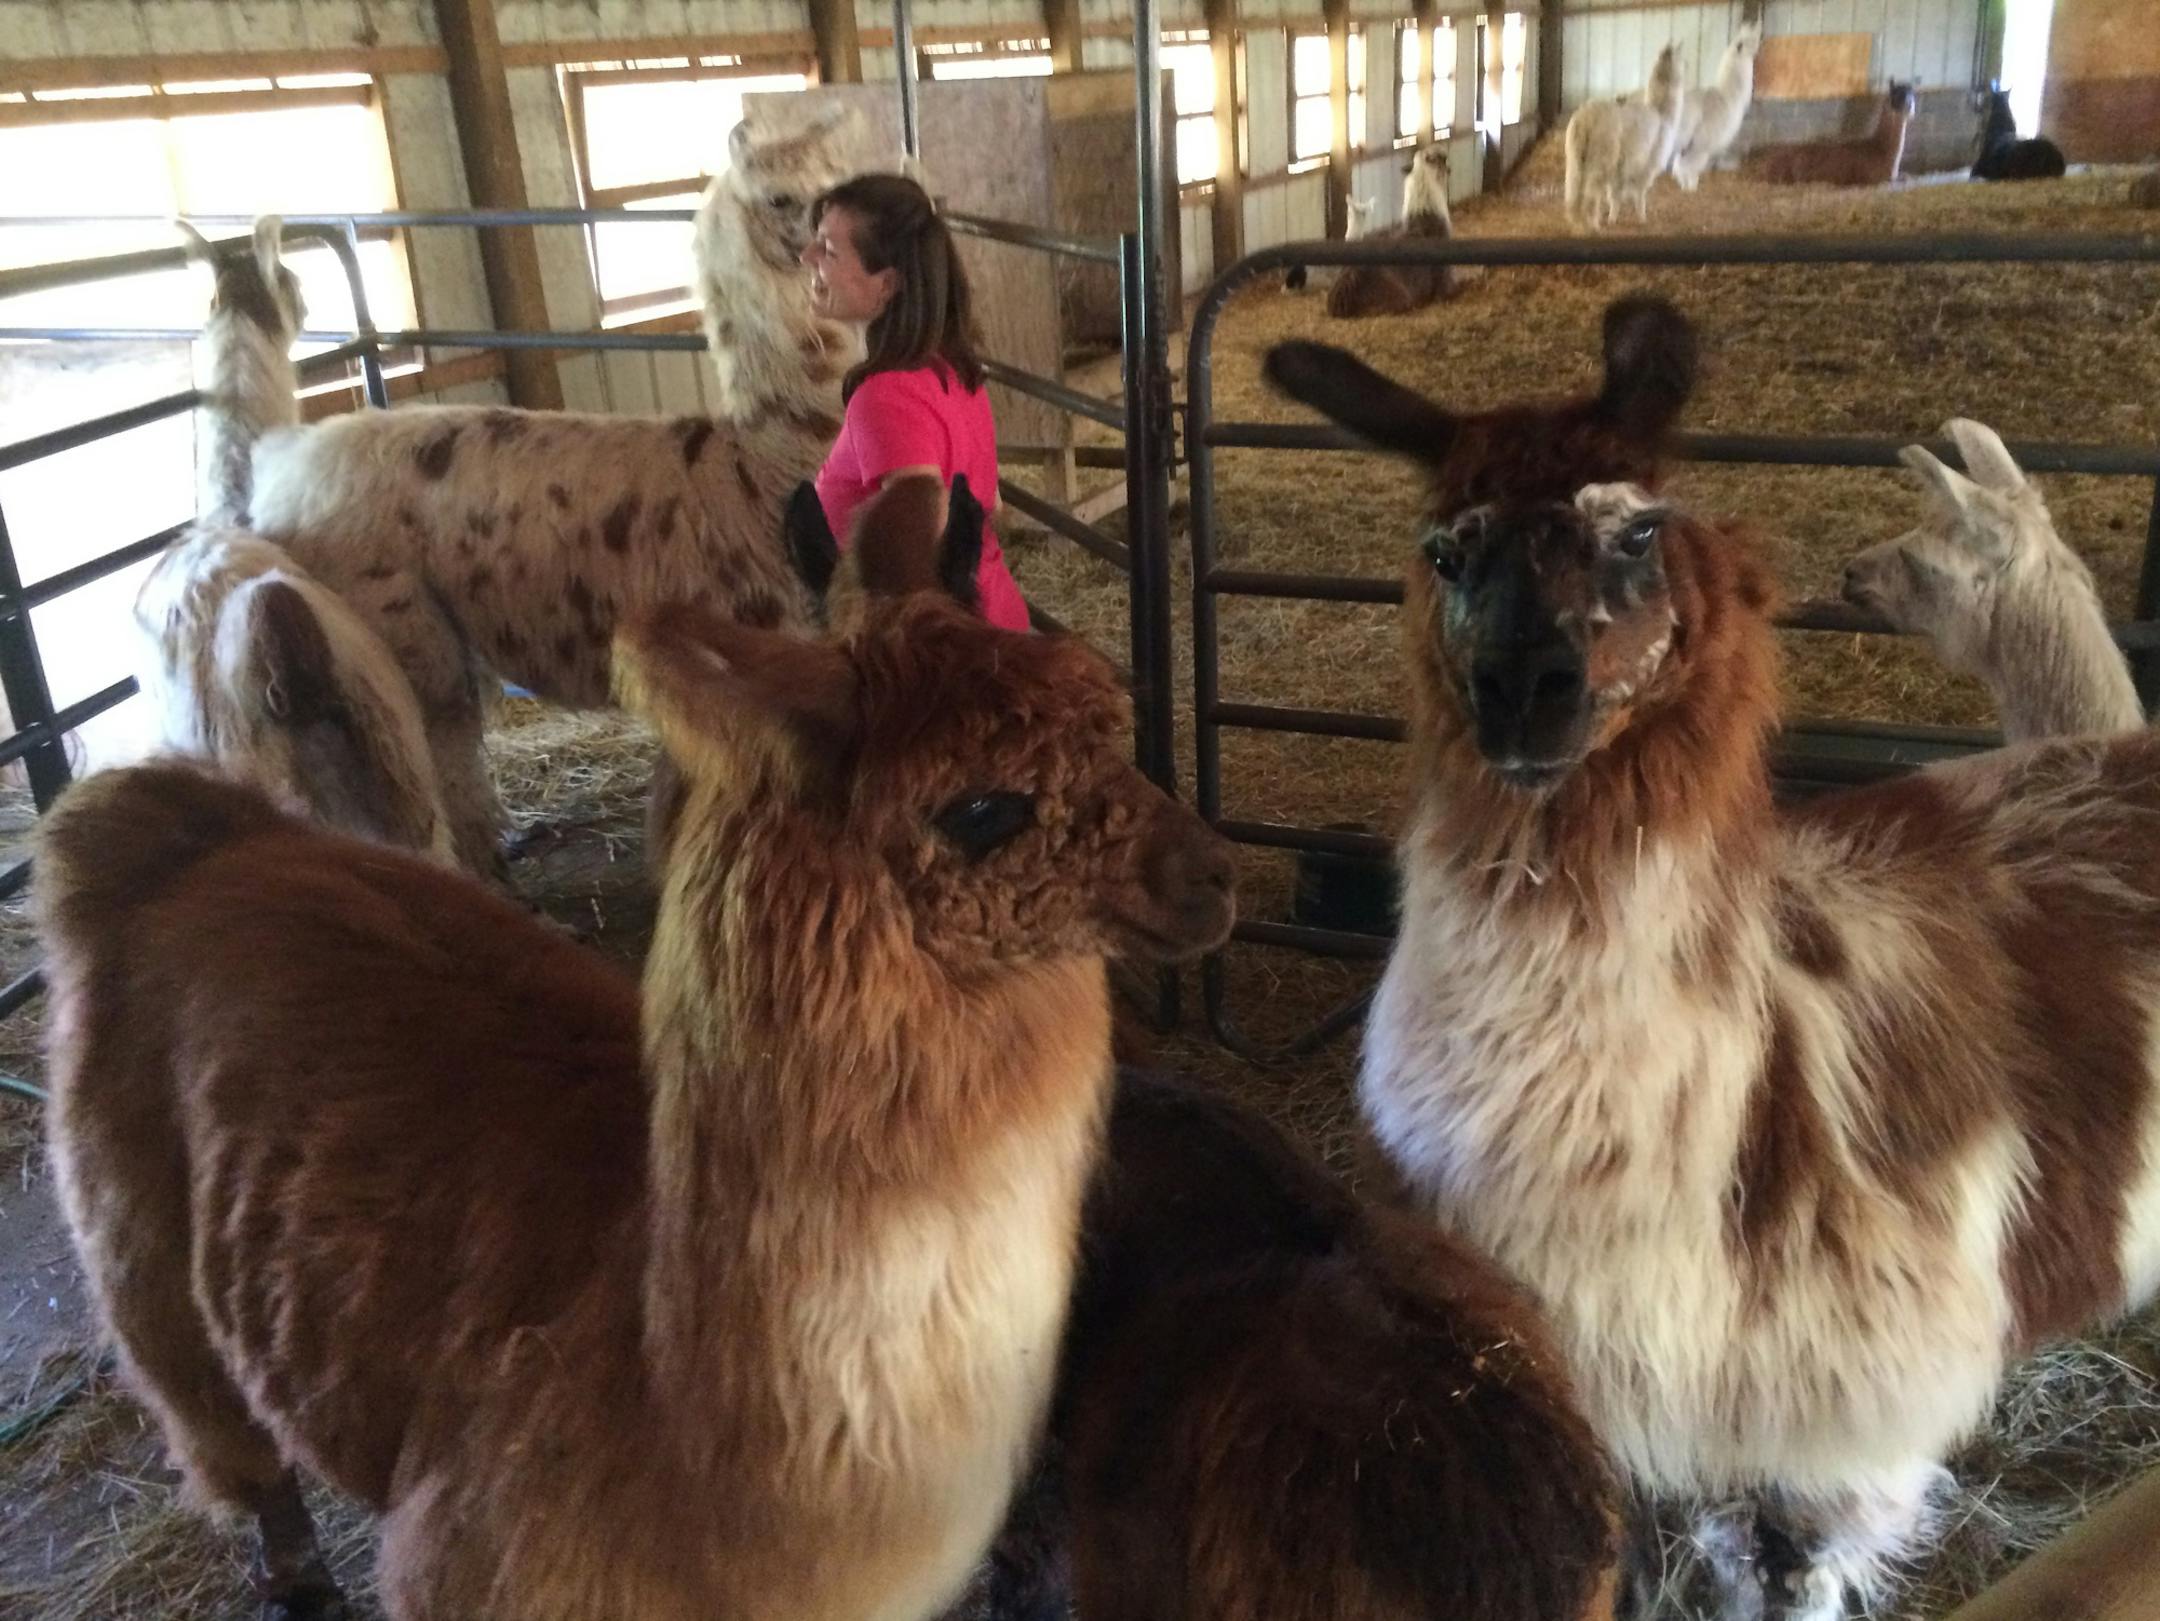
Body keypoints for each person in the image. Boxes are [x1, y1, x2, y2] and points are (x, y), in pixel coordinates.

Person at [801, 172, 1032, 631]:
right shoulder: (950, 367)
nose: (806, 256)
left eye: (828, 250)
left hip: (945, 653)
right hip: (990, 625)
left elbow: (916, 545)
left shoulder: (883, 395)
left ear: (886, 285)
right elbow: (994, 503)